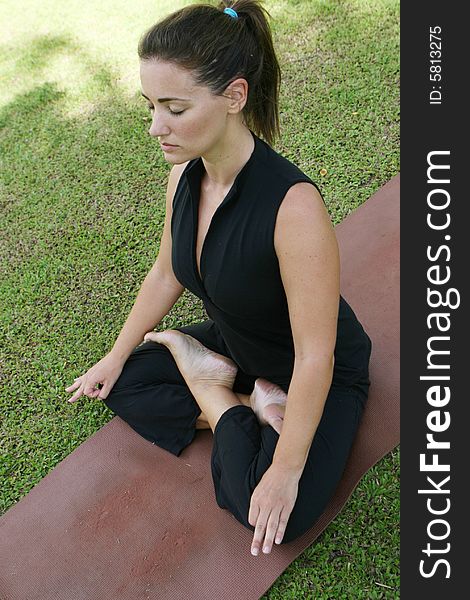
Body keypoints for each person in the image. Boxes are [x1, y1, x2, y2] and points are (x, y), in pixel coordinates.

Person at [65, 0, 372, 558]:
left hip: (310, 366)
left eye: (175, 109)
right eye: (151, 105)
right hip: (237, 338)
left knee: (271, 503)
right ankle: (244, 398)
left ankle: (218, 392)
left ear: (234, 97)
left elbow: (315, 357)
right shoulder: (184, 175)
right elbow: (165, 272)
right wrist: (114, 354)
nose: (155, 127)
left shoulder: (293, 208)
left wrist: (285, 467)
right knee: (127, 380)